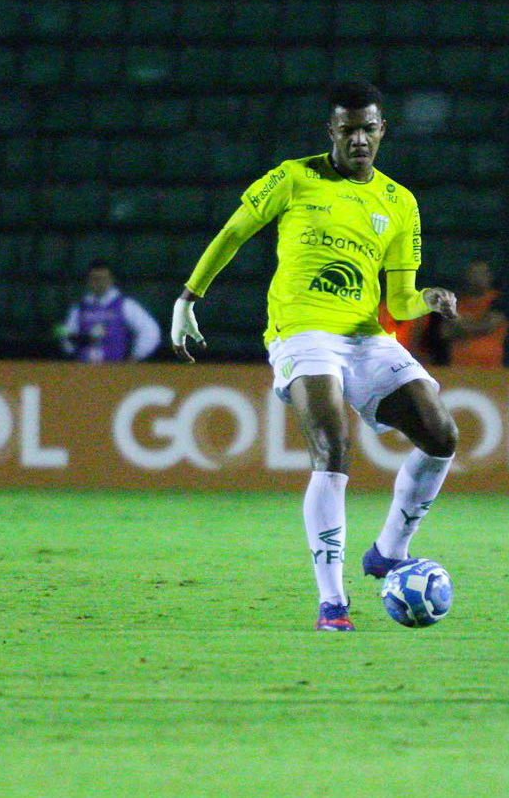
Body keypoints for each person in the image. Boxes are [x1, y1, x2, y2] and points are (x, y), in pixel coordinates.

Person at [170, 80, 460, 632]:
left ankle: (389, 551)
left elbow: (400, 299)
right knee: (333, 447)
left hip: (364, 335)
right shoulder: (293, 177)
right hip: (301, 333)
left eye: (368, 129)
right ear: (332, 131)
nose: (358, 139)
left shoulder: (399, 202)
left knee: (441, 434)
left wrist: (429, 299)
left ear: (382, 131)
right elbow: (233, 233)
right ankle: (332, 603)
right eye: (348, 130)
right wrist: (189, 297)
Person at [57, 260, 161, 362]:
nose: (99, 283)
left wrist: (135, 356)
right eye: (95, 279)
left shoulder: (126, 305)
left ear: (111, 280)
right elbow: (67, 338)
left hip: (116, 368)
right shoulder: (78, 309)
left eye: (103, 279)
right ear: (88, 280)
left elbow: (150, 331)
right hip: (83, 368)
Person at [429, 260, 508, 368]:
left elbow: (489, 325)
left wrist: (460, 325)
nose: (477, 278)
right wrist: (474, 324)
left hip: (491, 368)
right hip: (457, 368)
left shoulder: (498, 300)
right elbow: (444, 332)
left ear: (490, 277)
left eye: (481, 274)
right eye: (473, 274)